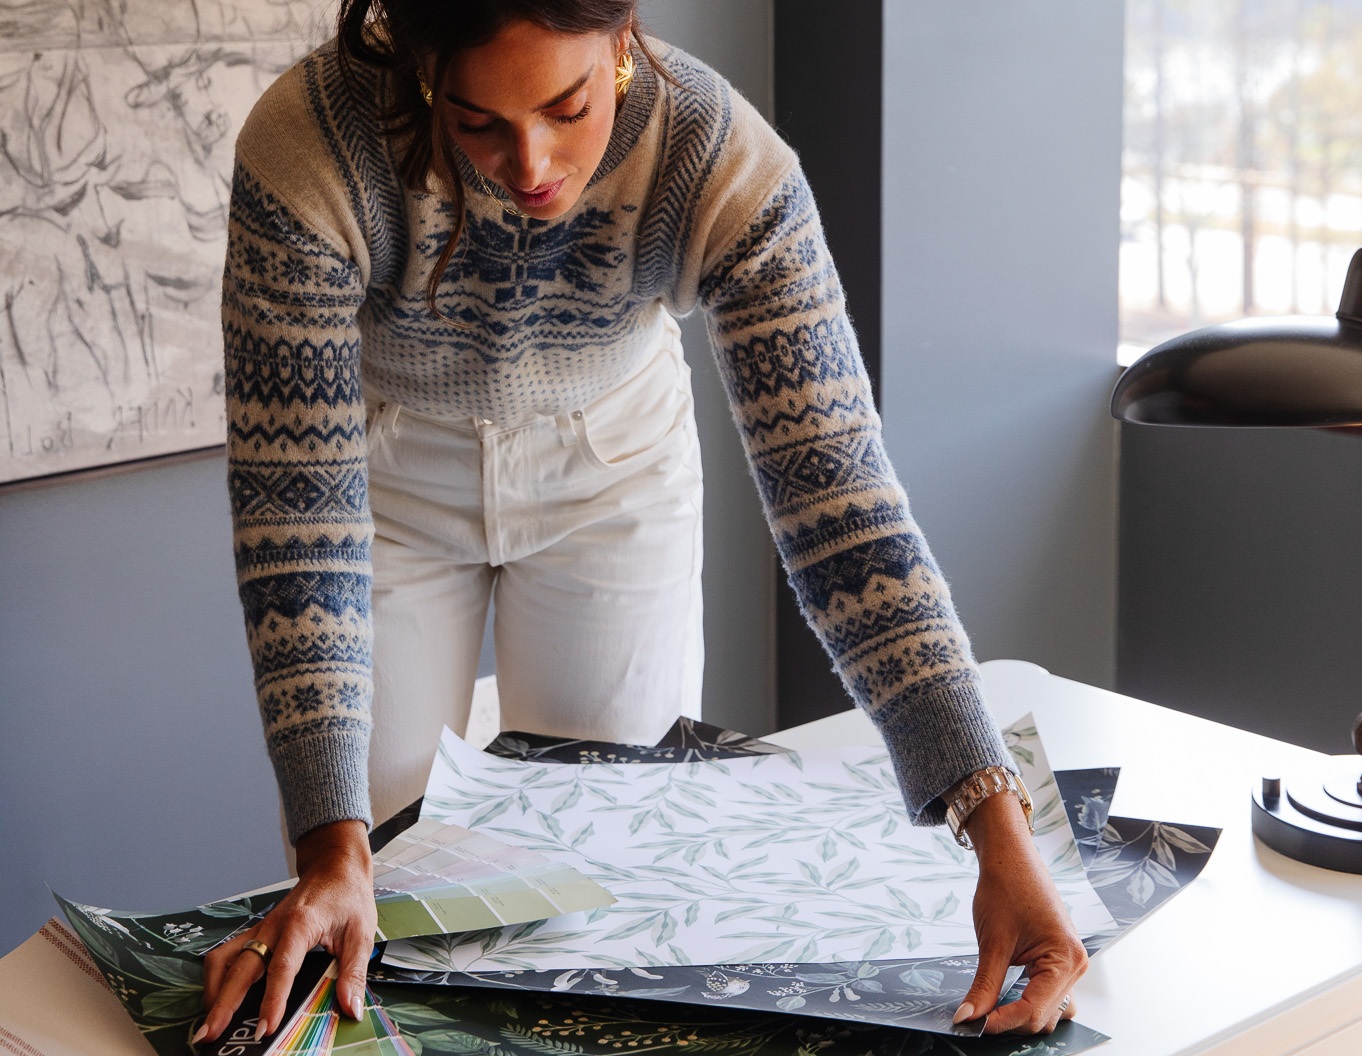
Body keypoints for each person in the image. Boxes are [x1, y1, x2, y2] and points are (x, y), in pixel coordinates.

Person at [198, 0, 1087, 1043]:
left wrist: (998, 833)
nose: (529, 163)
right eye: (476, 121)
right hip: (388, 467)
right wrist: (329, 853)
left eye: (567, 107)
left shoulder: (716, 156)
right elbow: (293, 518)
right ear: (424, 72)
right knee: (382, 885)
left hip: (612, 463)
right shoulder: (308, 147)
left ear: (623, 43)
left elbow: (841, 504)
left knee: (605, 883)